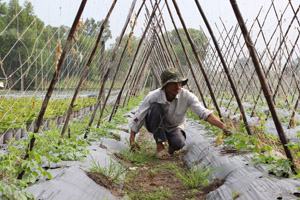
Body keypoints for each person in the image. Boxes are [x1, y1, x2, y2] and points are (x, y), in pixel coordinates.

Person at [129, 68, 231, 158]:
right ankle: (160, 146)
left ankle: (170, 149)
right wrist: (132, 140)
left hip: (174, 126)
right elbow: (139, 115)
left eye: (179, 83)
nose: (177, 86)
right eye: (173, 84)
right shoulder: (154, 96)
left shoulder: (187, 96)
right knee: (156, 107)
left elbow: (204, 113)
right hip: (154, 123)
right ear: (165, 85)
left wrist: (223, 126)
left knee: (179, 143)